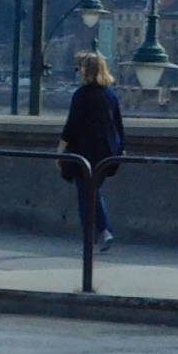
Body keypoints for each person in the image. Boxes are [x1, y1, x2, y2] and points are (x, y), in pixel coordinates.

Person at [58, 51, 124, 250]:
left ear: (86, 71)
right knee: (93, 191)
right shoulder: (110, 95)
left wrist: (60, 151)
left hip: (84, 152)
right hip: (106, 152)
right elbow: (119, 126)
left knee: (85, 194)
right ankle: (99, 233)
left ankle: (97, 233)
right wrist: (121, 149)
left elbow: (71, 126)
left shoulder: (82, 95)